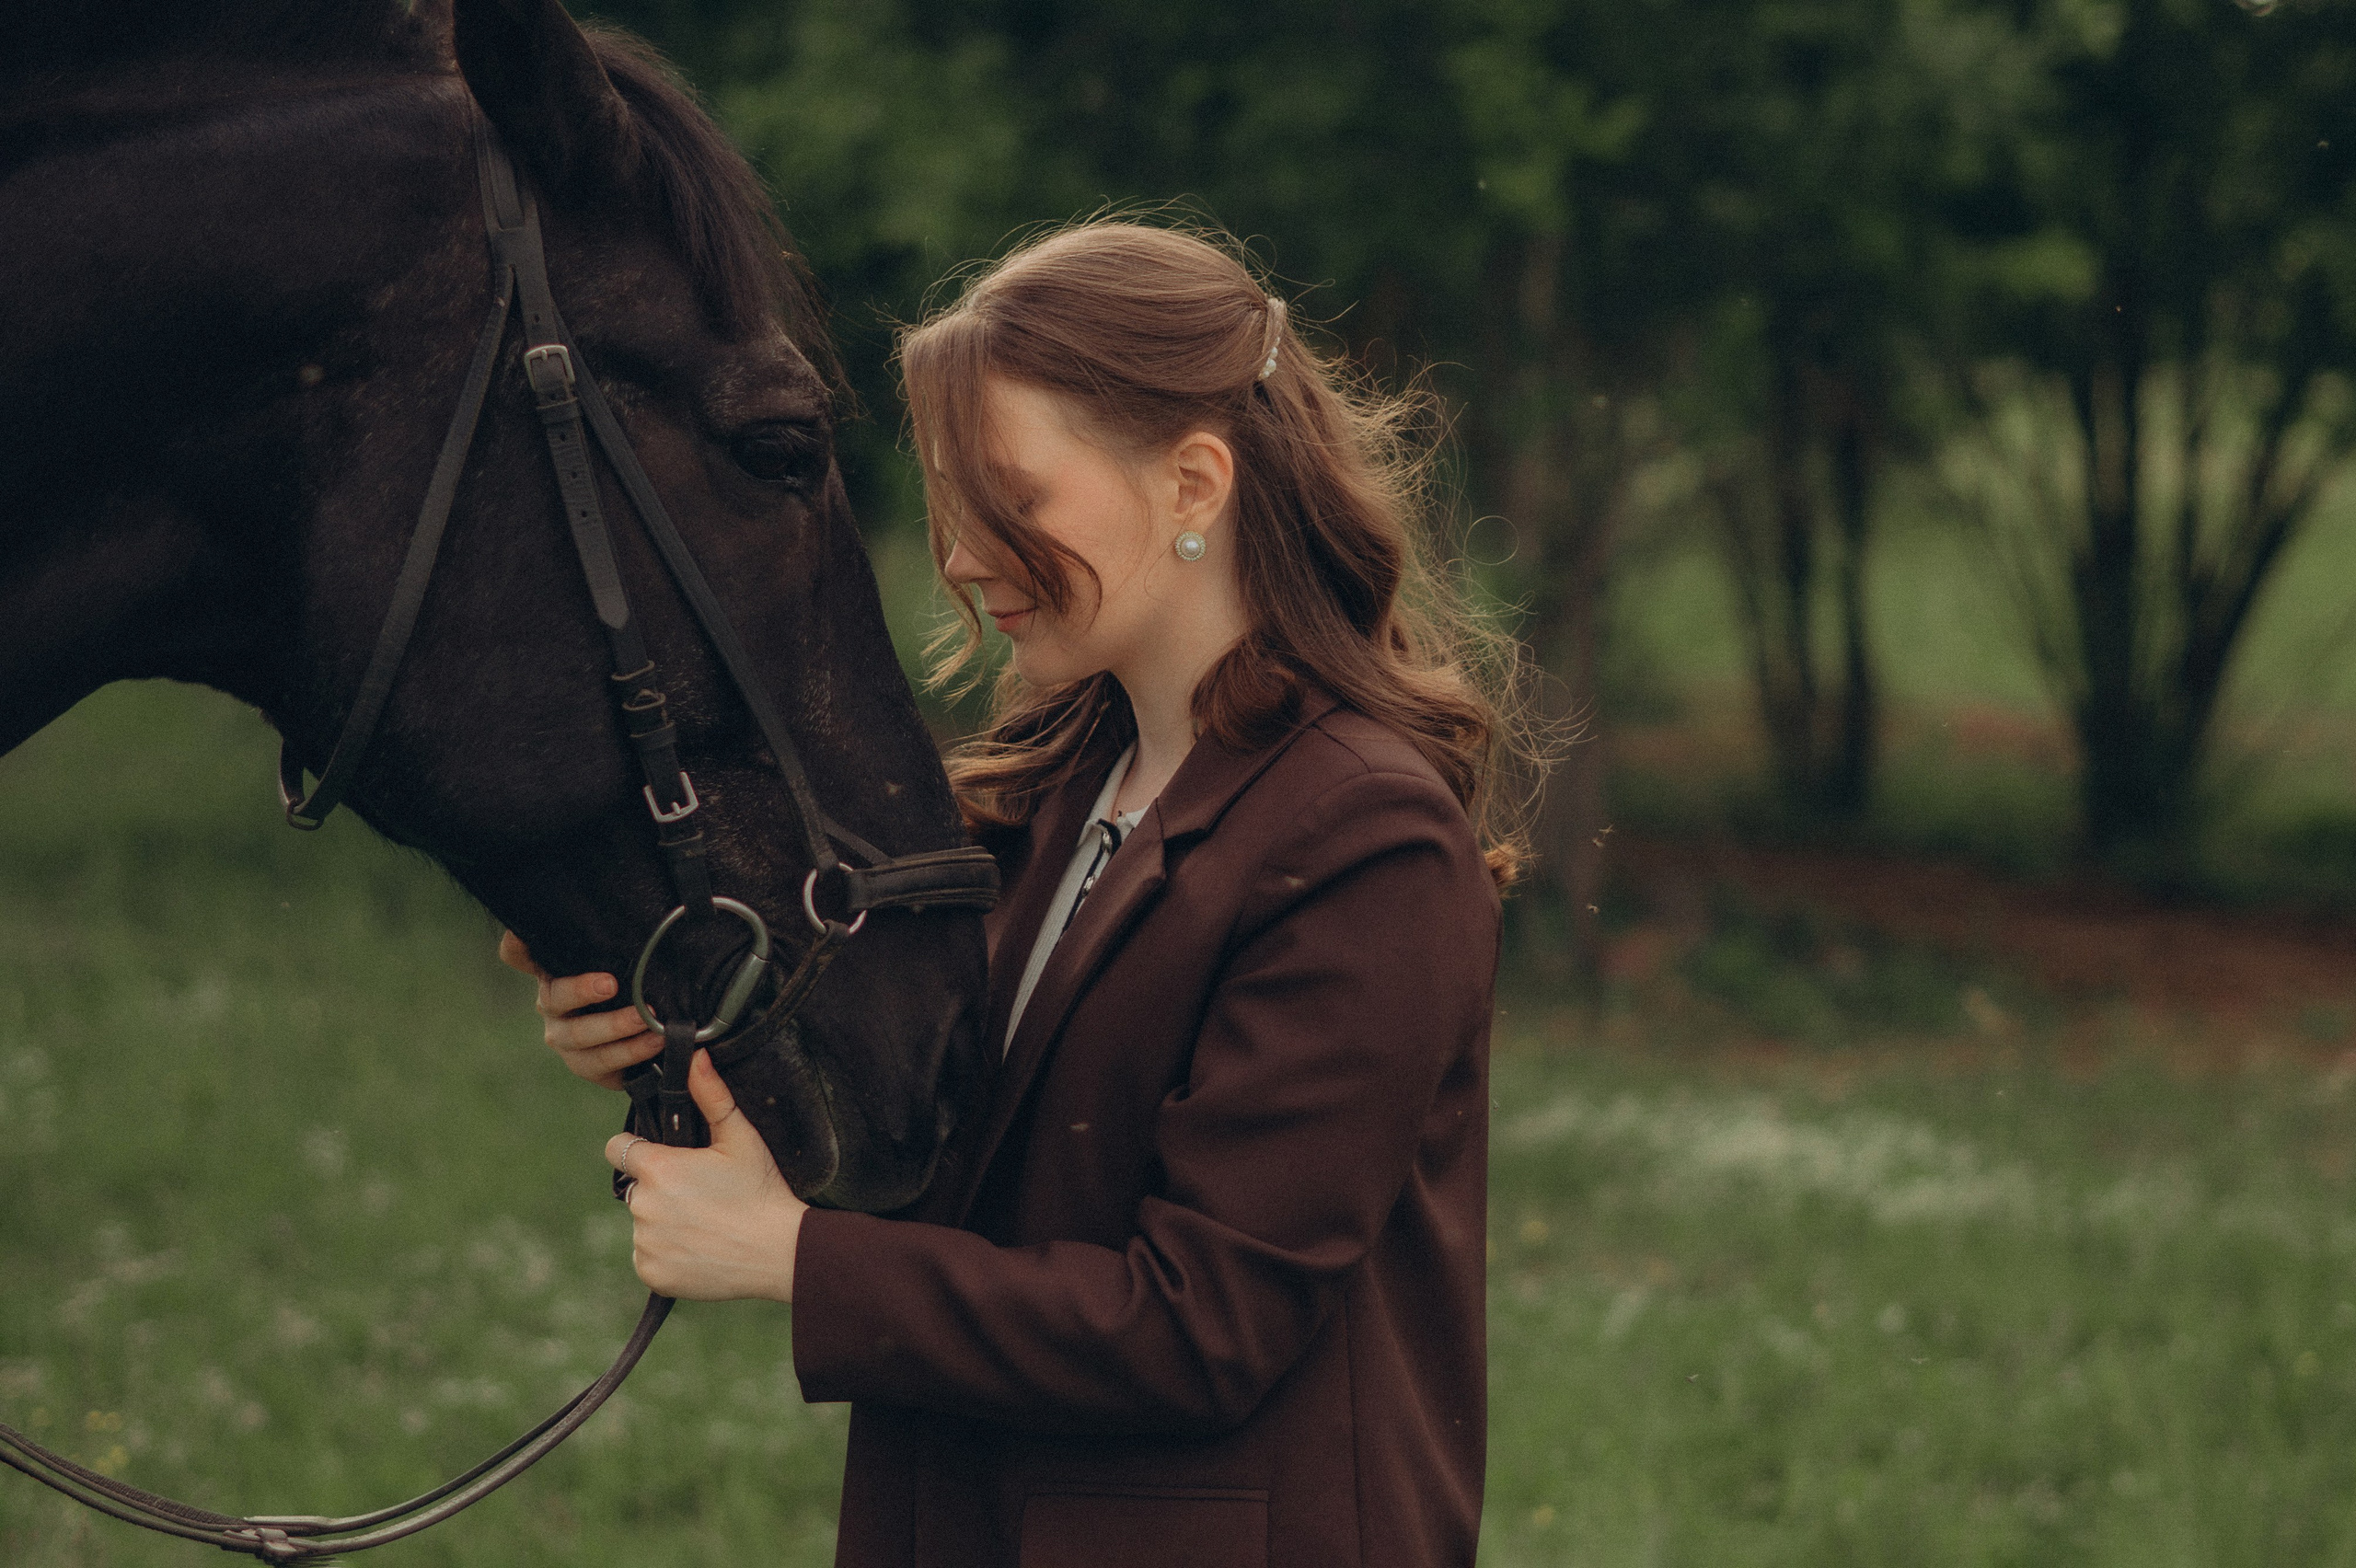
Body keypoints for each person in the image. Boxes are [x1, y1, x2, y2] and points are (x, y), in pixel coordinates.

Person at [501, 220, 1526, 1568]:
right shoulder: (1050, 788)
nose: (965, 561)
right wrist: (665, 1032)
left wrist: (795, 1258)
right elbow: (964, 1149)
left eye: (1012, 500)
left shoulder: (1364, 839)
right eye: (949, 505)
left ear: (1194, 483)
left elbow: (1201, 1327)